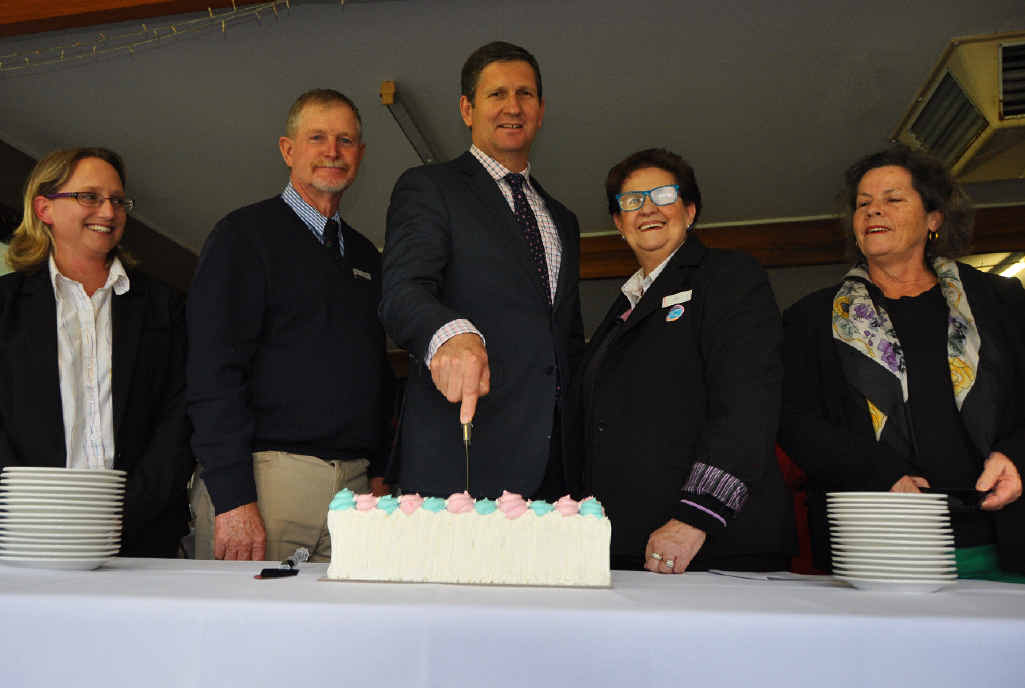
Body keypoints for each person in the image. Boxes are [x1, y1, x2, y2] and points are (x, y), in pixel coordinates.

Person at [779, 145, 1025, 579]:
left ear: (934, 218)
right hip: (876, 539)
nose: (874, 212)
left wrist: (1017, 455)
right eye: (863, 204)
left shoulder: (1001, 302)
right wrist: (883, 472)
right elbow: (795, 421)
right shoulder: (811, 319)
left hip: (1000, 534)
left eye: (892, 200)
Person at [564, 148, 794, 573]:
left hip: (711, 545)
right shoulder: (621, 308)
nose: (647, 208)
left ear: (689, 210)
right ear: (618, 223)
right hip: (630, 547)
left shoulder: (728, 277)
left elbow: (748, 404)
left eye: (662, 195)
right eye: (631, 201)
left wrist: (696, 516)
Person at [187, 89, 394, 562]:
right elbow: (212, 370)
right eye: (317, 137)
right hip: (267, 485)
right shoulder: (243, 237)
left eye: (346, 140)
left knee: (344, 636)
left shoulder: (366, 256)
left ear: (360, 154)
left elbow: (376, 371)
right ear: (288, 150)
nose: (332, 151)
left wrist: (381, 473)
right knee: (247, 635)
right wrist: (234, 497)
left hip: (356, 494)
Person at [380, 41, 584, 499]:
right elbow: (401, 291)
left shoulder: (563, 220)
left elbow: (566, 337)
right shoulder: (430, 187)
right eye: (496, 95)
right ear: (467, 108)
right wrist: (450, 333)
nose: (513, 106)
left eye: (525, 94)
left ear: (541, 108)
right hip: (463, 461)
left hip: (557, 470)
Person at [0, 147, 192, 557]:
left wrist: (127, 510)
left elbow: (178, 419)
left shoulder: (164, 306)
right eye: (90, 197)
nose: (108, 211)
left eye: (118, 200)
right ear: (44, 208)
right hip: (25, 535)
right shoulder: (6, 306)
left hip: (142, 537)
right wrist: (32, 507)